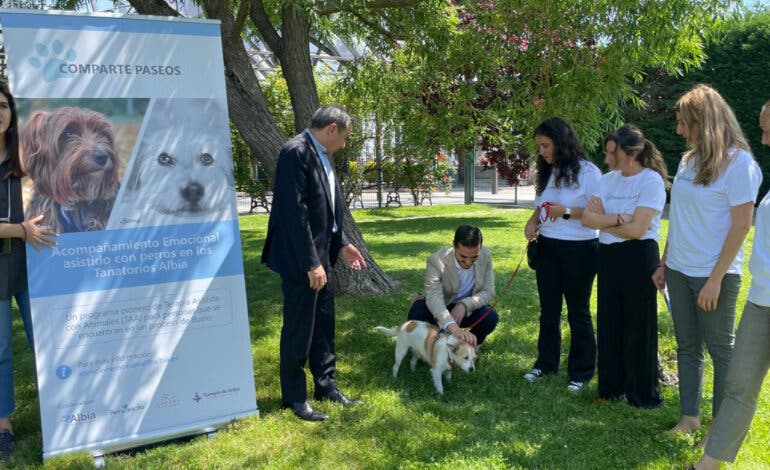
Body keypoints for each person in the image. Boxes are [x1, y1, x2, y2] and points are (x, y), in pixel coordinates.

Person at [652, 84, 761, 435]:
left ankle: (718, 428)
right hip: (678, 269)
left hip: (714, 275)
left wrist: (715, 280)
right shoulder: (688, 161)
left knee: (721, 351)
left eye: (685, 123)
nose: (679, 130)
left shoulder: (740, 163)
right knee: (687, 347)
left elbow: (742, 225)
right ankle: (689, 418)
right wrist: (664, 262)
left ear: (706, 121)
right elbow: (679, 217)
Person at [262, 104, 366, 422]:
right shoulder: (295, 153)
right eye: (345, 137)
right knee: (299, 329)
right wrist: (310, 263)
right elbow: (294, 214)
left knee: (323, 325)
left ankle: (326, 385)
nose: (344, 144)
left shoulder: (321, 154)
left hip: (323, 256)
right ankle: (295, 398)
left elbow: (326, 209)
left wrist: (342, 243)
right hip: (302, 261)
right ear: (332, 128)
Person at [691, 100, 770, 469]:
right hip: (760, 299)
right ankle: (708, 465)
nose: (763, 139)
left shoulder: (743, 166)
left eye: (768, 131)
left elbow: (741, 224)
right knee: (739, 386)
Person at [582, 124, 669, 408]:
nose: (607, 159)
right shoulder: (607, 180)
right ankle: (610, 389)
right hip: (608, 255)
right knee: (609, 321)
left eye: (612, 153)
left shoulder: (651, 181)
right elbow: (587, 220)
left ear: (630, 154)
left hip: (639, 256)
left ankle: (642, 394)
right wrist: (620, 219)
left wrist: (606, 222)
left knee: (638, 324)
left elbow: (638, 231)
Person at [523, 117, 602, 392]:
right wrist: (533, 221)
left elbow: (598, 213)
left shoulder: (589, 172)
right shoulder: (550, 170)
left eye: (545, 145)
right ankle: (545, 363)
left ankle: (581, 371)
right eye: (539, 146)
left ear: (561, 142)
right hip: (548, 247)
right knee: (549, 310)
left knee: (578, 312)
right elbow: (542, 205)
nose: (542, 151)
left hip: (580, 249)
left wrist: (566, 212)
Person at [0, 82, 57, 459]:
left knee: (48, 340)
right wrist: (20, 230)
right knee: (0, 348)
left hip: (34, 261)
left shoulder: (26, 156)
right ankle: (3, 425)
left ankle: (62, 412)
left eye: (3, 106)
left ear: (12, 111)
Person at [407, 224, 498, 347]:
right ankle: (435, 345)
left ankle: (467, 347)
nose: (468, 262)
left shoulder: (485, 255)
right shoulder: (436, 260)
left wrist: (464, 305)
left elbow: (489, 292)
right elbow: (433, 297)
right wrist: (453, 327)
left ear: (480, 247)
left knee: (490, 316)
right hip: (440, 307)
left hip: (466, 310)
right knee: (417, 313)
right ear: (454, 245)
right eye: (463, 257)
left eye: (474, 257)